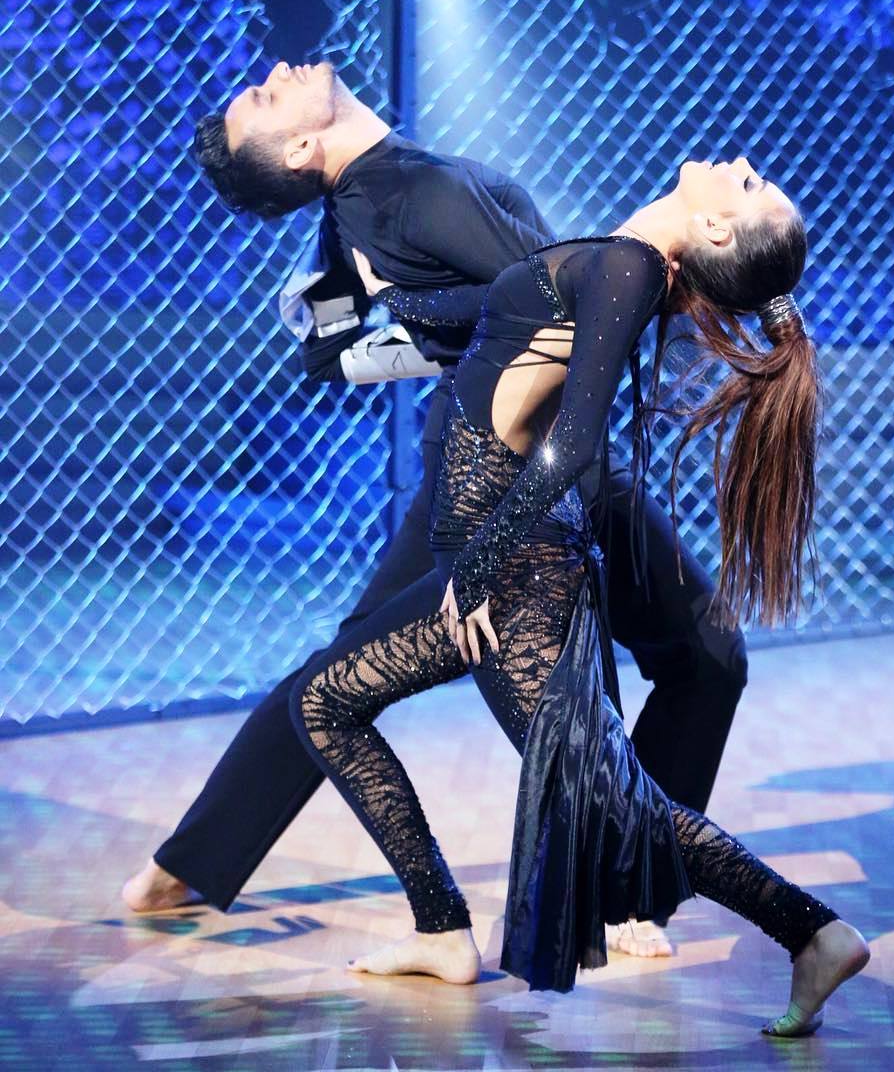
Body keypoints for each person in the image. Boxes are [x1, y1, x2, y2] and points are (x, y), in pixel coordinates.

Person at [123, 59, 748, 960]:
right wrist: (425, 324)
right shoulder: (402, 194)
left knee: (694, 656)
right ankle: (621, 892)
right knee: (688, 657)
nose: (275, 72)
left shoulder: (361, 206)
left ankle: (186, 864)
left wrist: (419, 328)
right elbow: (555, 300)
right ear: (299, 150)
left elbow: (335, 349)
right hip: (525, 466)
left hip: (504, 453)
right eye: (263, 98)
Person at [286, 149, 870, 1034]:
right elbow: (485, 317)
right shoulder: (622, 258)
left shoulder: (631, 269)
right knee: (331, 703)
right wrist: (379, 294)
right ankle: (440, 928)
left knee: (611, 799)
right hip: (501, 561)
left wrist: (479, 567)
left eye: (750, 186)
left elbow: (572, 443)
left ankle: (812, 933)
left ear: (717, 229)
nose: (743, 164)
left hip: (513, 574)